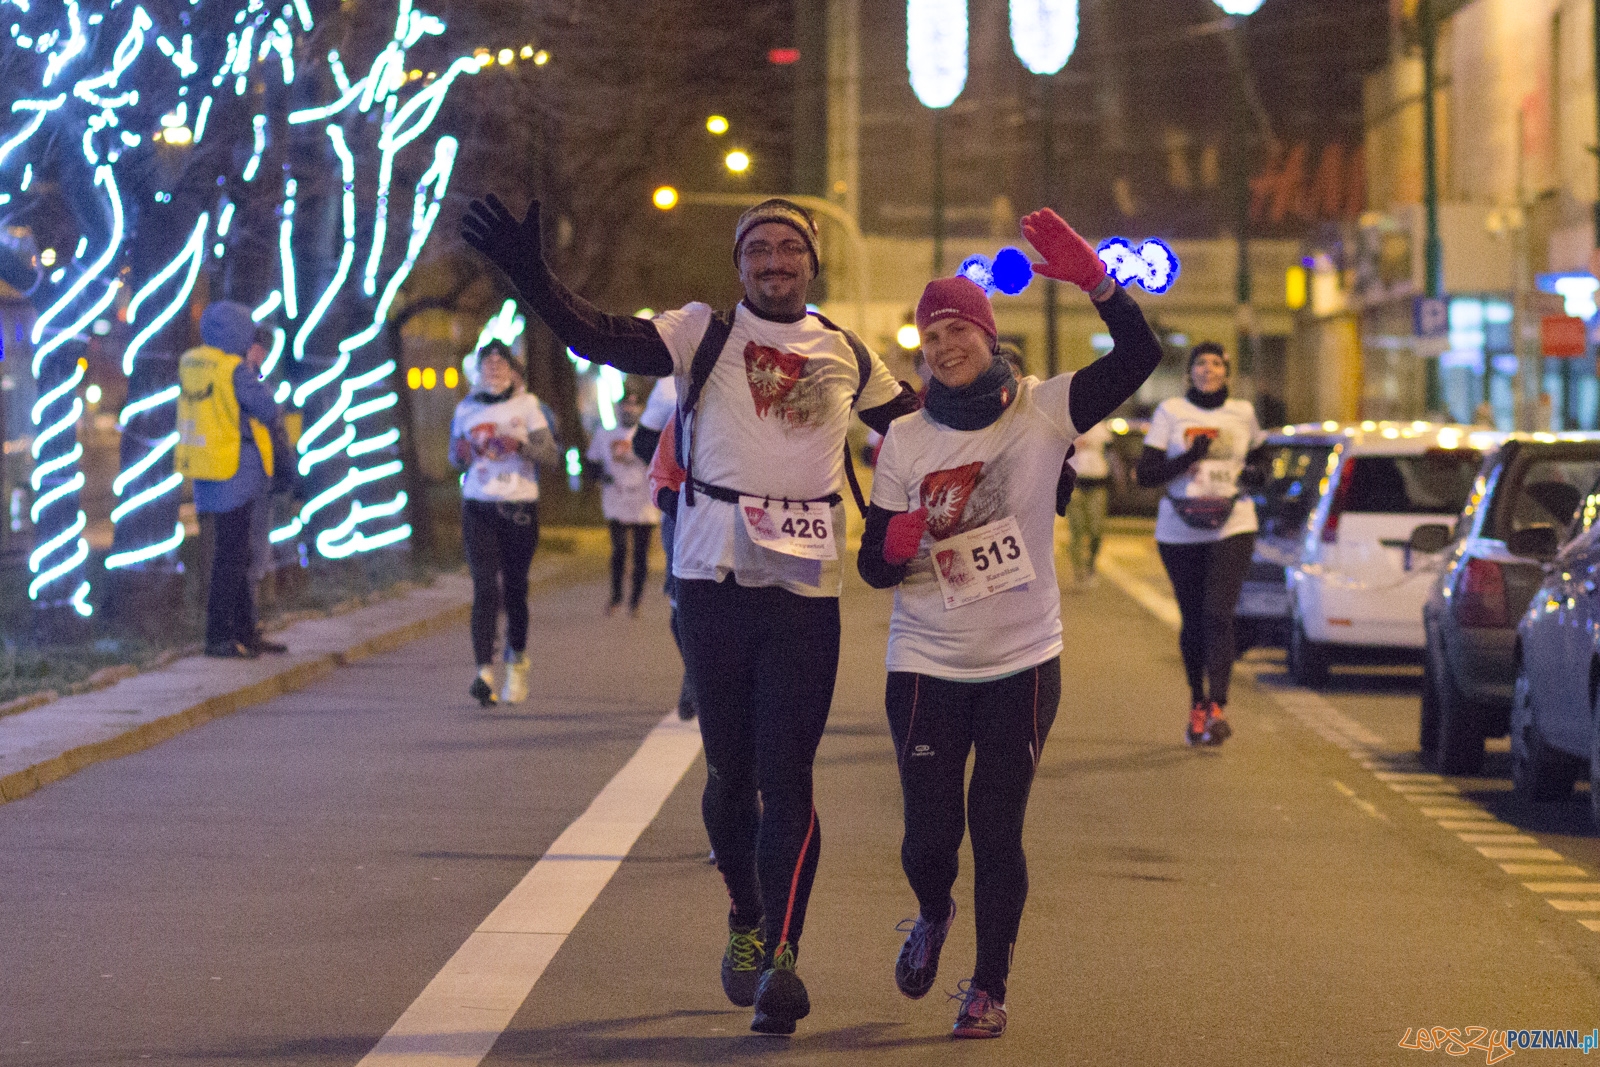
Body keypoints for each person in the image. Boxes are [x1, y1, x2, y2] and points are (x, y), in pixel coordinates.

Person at [462, 193, 919, 1035]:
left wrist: (1029, 438)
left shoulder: (850, 352)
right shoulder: (700, 332)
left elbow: (930, 428)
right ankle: (746, 914)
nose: (775, 262)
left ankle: (782, 955)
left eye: (791, 249)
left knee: (788, 778)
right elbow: (596, 334)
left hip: (805, 590)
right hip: (712, 578)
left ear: (813, 264)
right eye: (759, 251)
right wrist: (531, 274)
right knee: (727, 777)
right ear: (739, 264)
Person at [858, 209, 1163, 1039]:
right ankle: (931, 908)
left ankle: (989, 985)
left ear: (989, 337)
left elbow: (1141, 358)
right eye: (933, 332)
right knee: (928, 837)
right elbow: (872, 566)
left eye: (961, 327)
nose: (946, 343)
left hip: (1022, 660)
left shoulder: (1045, 410)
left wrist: (1101, 283)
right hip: (925, 656)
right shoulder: (907, 439)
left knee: (997, 827)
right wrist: (892, 543)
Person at [1136, 341, 1267, 746]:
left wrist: (1257, 476)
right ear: (1189, 372)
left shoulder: (1242, 413)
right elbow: (1146, 475)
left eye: (1215, 363)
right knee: (1193, 619)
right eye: (1200, 363)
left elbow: (1263, 460)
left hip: (1233, 523)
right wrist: (1189, 456)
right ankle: (1197, 699)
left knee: (1217, 614)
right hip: (1179, 527)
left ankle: (1218, 705)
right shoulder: (1171, 412)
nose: (1207, 370)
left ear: (1226, 372)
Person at [448, 340, 562, 707]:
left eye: (501, 363)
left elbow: (551, 455)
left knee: (514, 588)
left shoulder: (528, 406)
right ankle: (483, 672)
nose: (494, 369)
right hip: (478, 505)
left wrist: (520, 446)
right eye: (487, 363)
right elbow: (455, 456)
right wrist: (462, 454)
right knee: (484, 587)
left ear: (513, 370)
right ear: (478, 371)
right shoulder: (466, 408)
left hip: (518, 508)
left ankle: (518, 661)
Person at [175, 301, 285, 659]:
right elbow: (267, 408)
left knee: (228, 555)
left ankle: (242, 632)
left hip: (206, 469)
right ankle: (222, 637)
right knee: (234, 559)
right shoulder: (235, 369)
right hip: (236, 471)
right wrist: (254, 374)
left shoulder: (191, 362)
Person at [631, 377, 697, 719]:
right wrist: (676, 490)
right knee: (681, 595)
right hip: (685, 507)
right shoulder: (672, 384)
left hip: (745, 510)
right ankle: (696, 676)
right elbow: (642, 442)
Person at [587, 392, 660, 615]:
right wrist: (601, 476)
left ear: (640, 409)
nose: (628, 409)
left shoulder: (649, 436)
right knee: (618, 550)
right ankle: (616, 597)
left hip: (643, 502)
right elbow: (591, 464)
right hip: (616, 499)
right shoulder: (604, 435)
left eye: (633, 405)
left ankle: (635, 602)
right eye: (624, 405)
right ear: (617, 408)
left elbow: (660, 462)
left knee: (640, 555)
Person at [243, 327, 290, 654]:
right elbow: (269, 412)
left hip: (262, 477)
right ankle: (246, 629)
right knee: (250, 553)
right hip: (249, 477)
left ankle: (251, 626)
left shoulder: (252, 379)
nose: (261, 355)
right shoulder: (242, 379)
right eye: (259, 349)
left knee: (257, 554)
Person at [1065, 418, 1114, 587]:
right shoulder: (1069, 426)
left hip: (1097, 484)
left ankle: (1091, 565)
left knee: (1096, 530)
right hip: (1075, 483)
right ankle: (1079, 572)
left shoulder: (1100, 428)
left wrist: (1118, 475)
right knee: (1077, 529)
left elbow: (1110, 453)